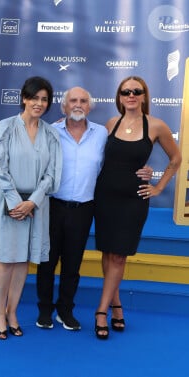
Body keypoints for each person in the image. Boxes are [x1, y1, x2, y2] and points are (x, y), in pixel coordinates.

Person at [35, 87, 154, 332]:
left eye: (83, 101)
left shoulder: (102, 133)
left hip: (85, 208)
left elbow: (123, 157)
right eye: (73, 101)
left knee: (72, 263)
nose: (78, 105)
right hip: (53, 205)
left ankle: (65, 310)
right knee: (47, 261)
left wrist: (147, 169)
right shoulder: (50, 131)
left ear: (90, 106)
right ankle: (45, 310)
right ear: (64, 106)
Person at [93, 76, 180, 340]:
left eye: (136, 91)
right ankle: (117, 306)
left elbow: (176, 158)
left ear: (144, 96)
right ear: (119, 97)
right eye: (125, 91)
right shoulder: (110, 124)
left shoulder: (156, 125)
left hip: (134, 200)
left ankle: (100, 312)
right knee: (108, 254)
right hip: (105, 197)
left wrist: (158, 186)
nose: (131, 95)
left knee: (119, 256)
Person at [0, 76, 62, 340]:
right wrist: (16, 203)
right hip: (7, 202)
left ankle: (12, 312)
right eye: (34, 98)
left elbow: (52, 174)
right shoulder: (5, 127)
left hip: (35, 205)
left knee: (24, 259)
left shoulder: (51, 133)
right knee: (6, 259)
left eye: (44, 99)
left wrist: (32, 201)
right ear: (24, 98)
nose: (39, 103)